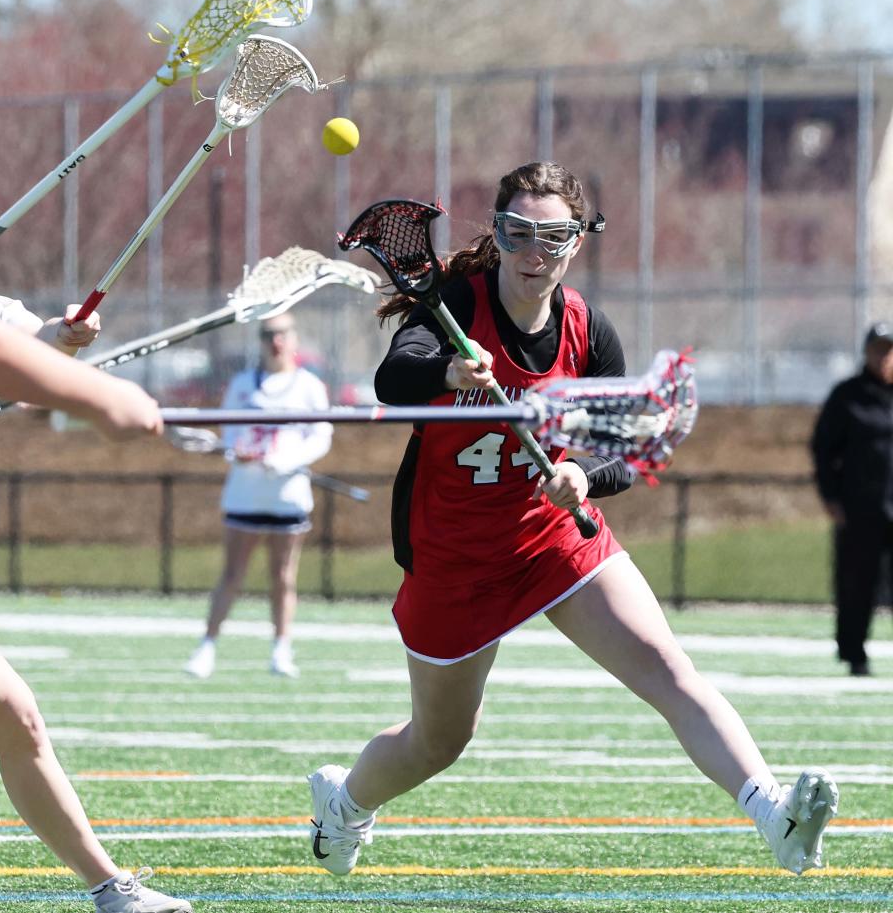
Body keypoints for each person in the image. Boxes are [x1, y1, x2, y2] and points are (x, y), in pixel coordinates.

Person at [306, 161, 838, 878]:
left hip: (551, 537)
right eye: (517, 233)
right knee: (438, 742)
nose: (534, 253)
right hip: (455, 560)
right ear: (497, 235)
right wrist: (449, 374)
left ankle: (775, 814)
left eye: (551, 238)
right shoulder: (455, 309)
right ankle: (343, 805)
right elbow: (393, 377)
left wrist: (583, 474)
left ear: (576, 242)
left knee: (668, 669)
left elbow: (633, 448)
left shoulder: (587, 328)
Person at [0, 179, 191, 913]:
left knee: (15, 715)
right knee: (15, 708)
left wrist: (67, 344)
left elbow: (17, 346)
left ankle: (111, 887)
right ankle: (113, 888)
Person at [184, 311, 332, 680]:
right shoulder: (242, 384)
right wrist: (243, 452)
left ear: (294, 339)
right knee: (232, 573)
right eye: (268, 334)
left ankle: (281, 649)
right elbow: (230, 431)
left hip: (288, 495)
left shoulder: (308, 387)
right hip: (245, 494)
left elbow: (321, 436)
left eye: (282, 334)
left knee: (283, 576)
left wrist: (287, 459)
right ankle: (208, 646)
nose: (275, 341)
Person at [811, 320, 893, 678]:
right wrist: (831, 496)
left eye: (891, 350)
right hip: (862, 508)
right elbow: (823, 448)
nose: (885, 357)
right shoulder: (848, 395)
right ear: (867, 352)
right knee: (858, 583)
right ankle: (854, 653)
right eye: (880, 349)